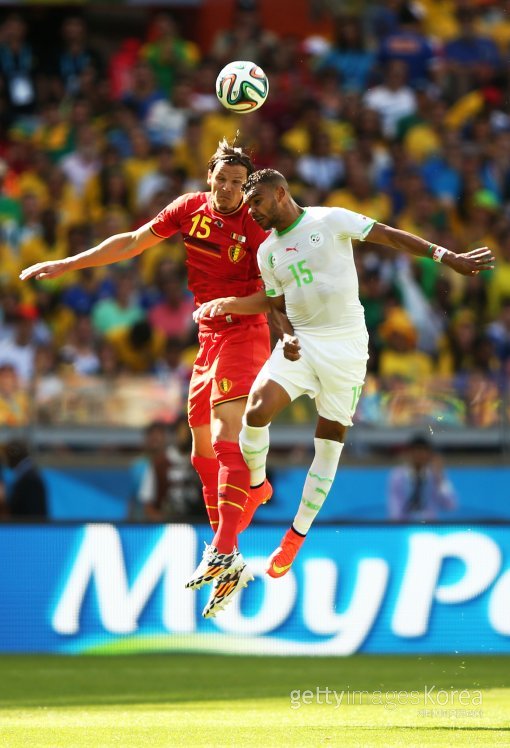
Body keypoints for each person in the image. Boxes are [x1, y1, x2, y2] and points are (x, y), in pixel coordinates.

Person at [194, 168, 494, 578]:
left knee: (329, 444)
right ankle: (259, 485)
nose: (253, 212)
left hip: (346, 348)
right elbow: (277, 306)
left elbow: (389, 235)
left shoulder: (330, 220)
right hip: (302, 343)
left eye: (258, 203)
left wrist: (448, 257)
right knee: (256, 411)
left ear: (280, 194)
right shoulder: (267, 252)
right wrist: (287, 335)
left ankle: (296, 536)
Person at [19, 140, 273, 619]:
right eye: (221, 179)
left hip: (245, 333)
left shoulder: (257, 227)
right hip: (208, 336)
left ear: (247, 187)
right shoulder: (189, 209)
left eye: (237, 184)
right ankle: (238, 534)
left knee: (226, 438)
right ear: (209, 177)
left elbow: (276, 297)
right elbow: (132, 241)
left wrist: (233, 306)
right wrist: (68, 264)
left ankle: (223, 547)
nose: (227, 189)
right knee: (200, 453)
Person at [131, 418, 205, 523]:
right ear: (173, 434)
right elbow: (148, 502)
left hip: (198, 523)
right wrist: (162, 521)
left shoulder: (201, 462)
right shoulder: (160, 463)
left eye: (187, 433)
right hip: (168, 522)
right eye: (180, 433)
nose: (183, 437)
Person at [387, 434, 457, 521]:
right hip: (405, 524)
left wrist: (439, 478)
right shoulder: (397, 476)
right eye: (416, 451)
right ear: (409, 453)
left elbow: (450, 505)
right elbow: (395, 507)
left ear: (429, 454)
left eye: (423, 451)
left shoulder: (435, 475)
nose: (419, 455)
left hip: (430, 525)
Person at [0, 439, 47, 519]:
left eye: (7, 456)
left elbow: (34, 512)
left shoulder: (29, 479)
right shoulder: (27, 475)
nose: (7, 461)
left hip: (28, 525)